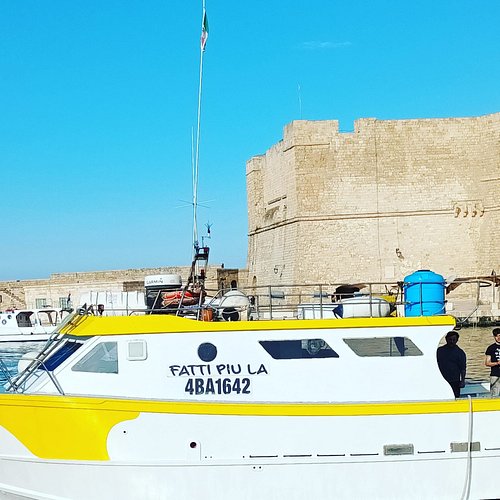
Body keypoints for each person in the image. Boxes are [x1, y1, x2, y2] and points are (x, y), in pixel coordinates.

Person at [437, 330, 467, 398]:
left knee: (455, 397)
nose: (452, 341)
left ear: (457, 340)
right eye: (450, 339)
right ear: (446, 339)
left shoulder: (460, 353)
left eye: (454, 339)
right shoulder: (440, 350)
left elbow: (463, 369)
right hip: (441, 379)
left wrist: (462, 381)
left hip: (454, 380)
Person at [484, 328, 500, 397]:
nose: (499, 338)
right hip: (495, 375)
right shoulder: (491, 348)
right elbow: (487, 363)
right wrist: (497, 363)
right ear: (494, 337)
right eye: (497, 336)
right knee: (495, 395)